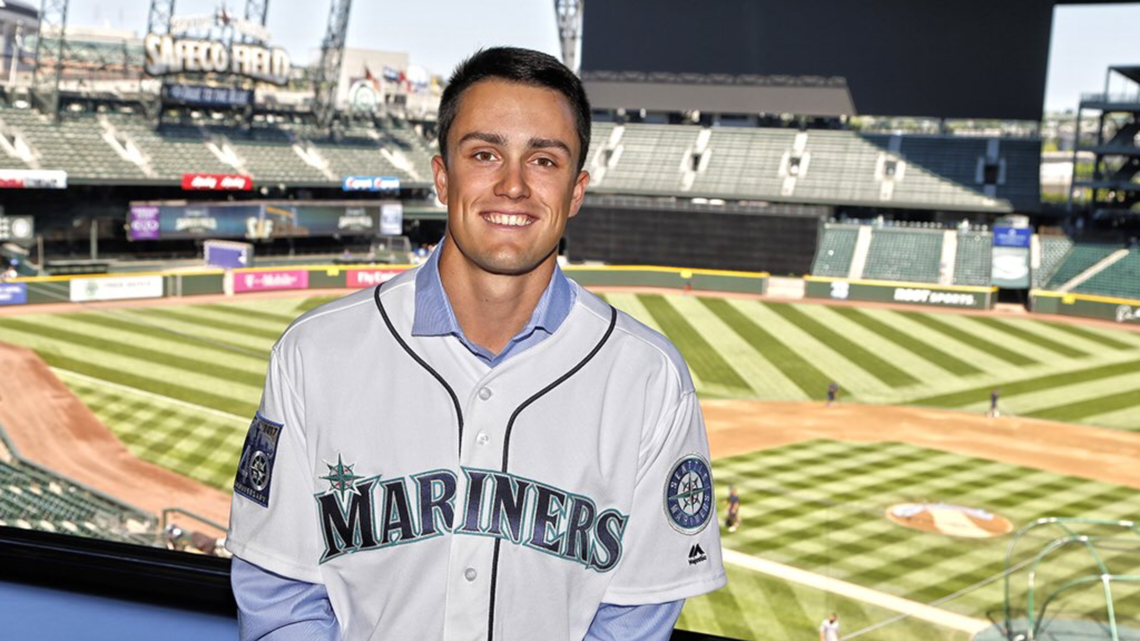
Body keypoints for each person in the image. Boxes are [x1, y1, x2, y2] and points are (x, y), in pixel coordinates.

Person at [226, 47, 726, 641]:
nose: (513, 185)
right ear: (443, 176)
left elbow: (633, 621)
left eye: (543, 160)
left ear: (576, 191)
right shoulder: (314, 353)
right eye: (485, 154)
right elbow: (278, 597)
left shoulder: (648, 377)